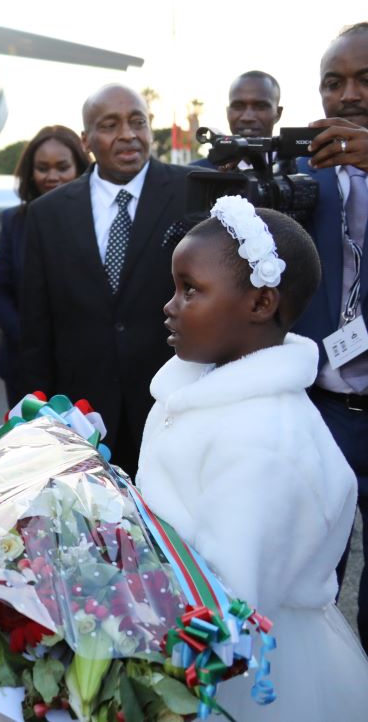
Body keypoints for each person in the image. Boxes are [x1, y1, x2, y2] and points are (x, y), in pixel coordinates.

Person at [137, 200, 368, 720]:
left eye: (190, 290)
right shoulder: (197, 389)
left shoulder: (263, 440)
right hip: (175, 636)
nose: (170, 306)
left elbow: (229, 602)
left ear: (261, 303)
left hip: (241, 672)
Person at [19, 84, 191, 475]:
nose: (128, 134)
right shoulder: (47, 214)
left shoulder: (192, 193)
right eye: (110, 125)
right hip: (83, 416)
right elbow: (35, 330)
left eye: (137, 122)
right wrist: (39, 416)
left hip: (174, 406)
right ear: (86, 140)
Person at [295, 21, 368, 651]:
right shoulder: (298, 177)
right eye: (333, 82)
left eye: (365, 79)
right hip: (322, 412)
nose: (348, 95)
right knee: (313, 584)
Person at [0, 125, 88, 405]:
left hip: (85, 364)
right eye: (43, 168)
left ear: (80, 168)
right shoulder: (13, 221)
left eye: (62, 167)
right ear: (31, 173)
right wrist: (33, 342)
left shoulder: (97, 222)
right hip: (23, 364)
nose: (52, 176)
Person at [193, 71, 283, 169]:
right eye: (238, 106)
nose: (247, 117)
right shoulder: (196, 173)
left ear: (278, 113)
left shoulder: (295, 169)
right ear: (227, 112)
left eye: (260, 106)